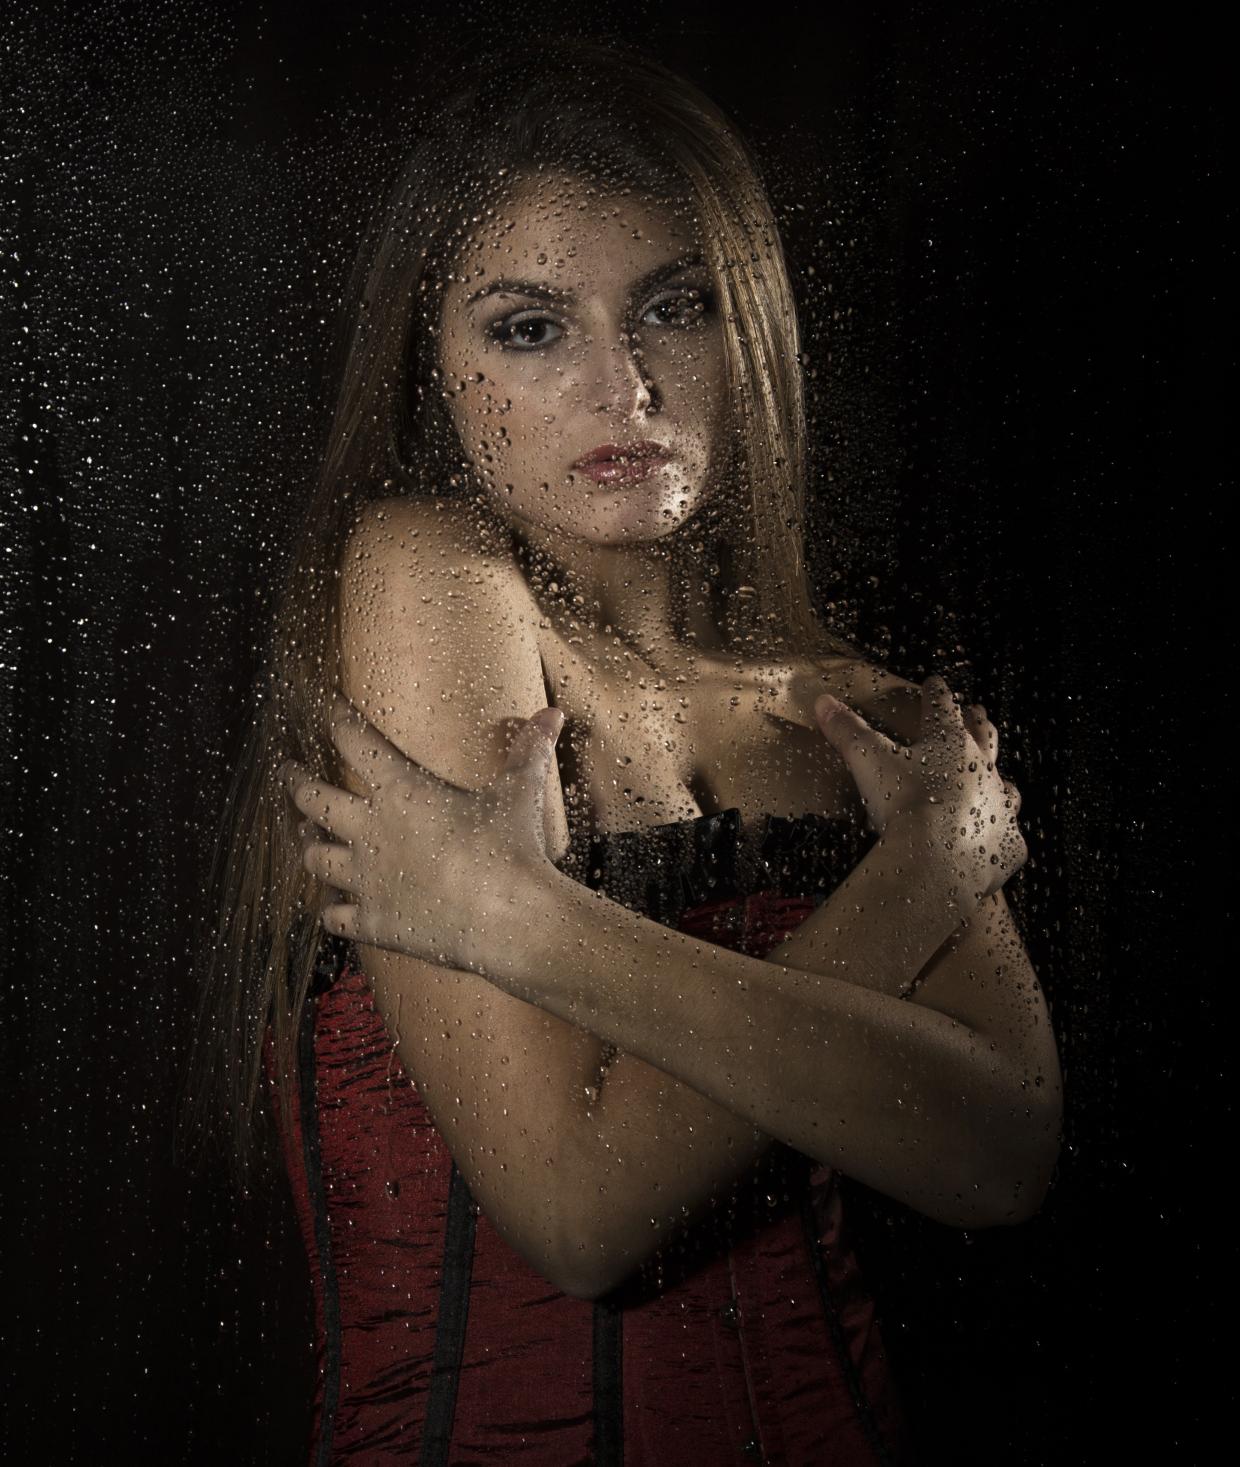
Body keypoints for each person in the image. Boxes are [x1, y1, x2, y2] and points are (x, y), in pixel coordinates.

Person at [190, 36, 1062, 1466]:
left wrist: (518, 921)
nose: (624, 386)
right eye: (530, 329)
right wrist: (914, 885)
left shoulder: (865, 712)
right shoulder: (427, 575)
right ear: (439, 370)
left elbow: (1006, 1157)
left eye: (676, 307)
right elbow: (580, 1213)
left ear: (754, 329)